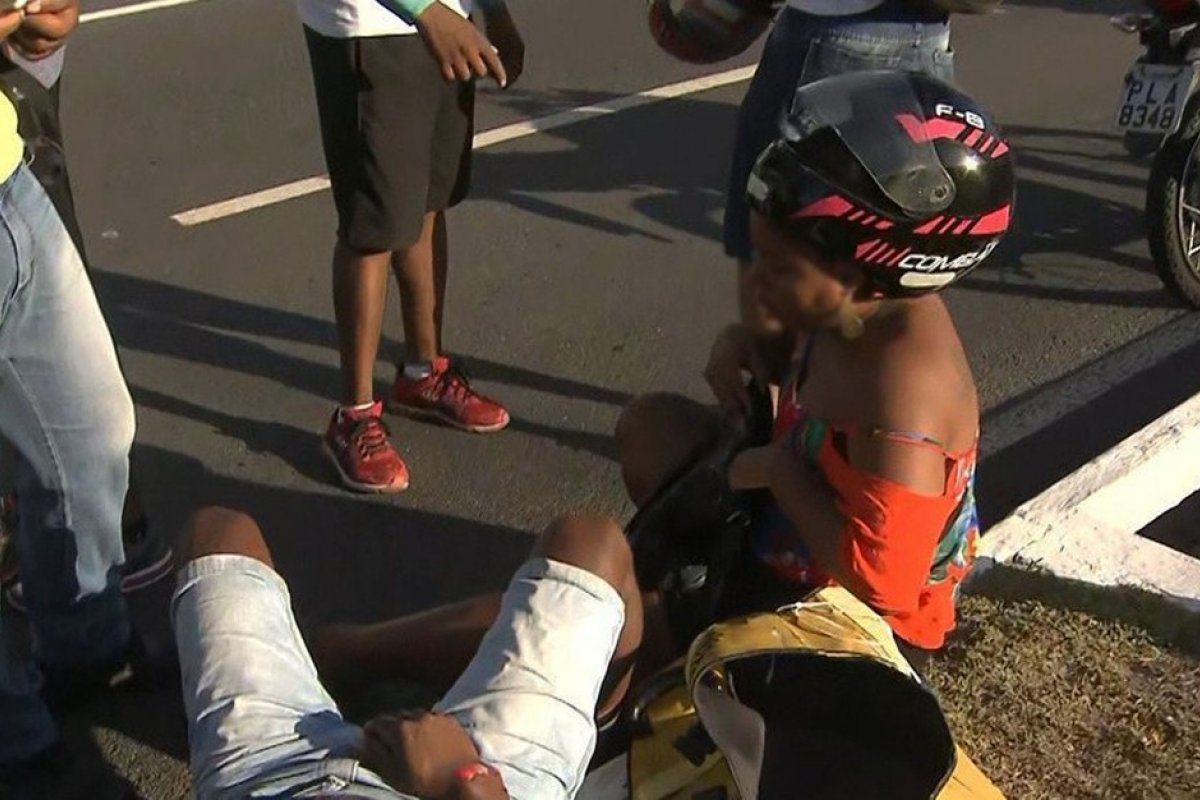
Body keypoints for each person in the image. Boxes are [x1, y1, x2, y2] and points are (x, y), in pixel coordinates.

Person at [619, 70, 1015, 670]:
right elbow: (789, 357)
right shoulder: (857, 306)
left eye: (778, 265)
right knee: (650, 428)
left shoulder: (906, 390)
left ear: (858, 272)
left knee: (612, 624)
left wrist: (777, 471)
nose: (759, 280)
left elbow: (885, 583)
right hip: (795, 534)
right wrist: (741, 344)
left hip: (853, 626)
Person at [171, 506, 643, 800]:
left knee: (217, 533)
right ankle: (591, 723)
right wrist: (459, 779)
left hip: (272, 775)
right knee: (589, 543)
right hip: (477, 782)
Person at [0, 4, 167, 794]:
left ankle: (84, 649)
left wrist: (31, 32)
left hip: (8, 184)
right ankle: (17, 735)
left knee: (94, 432)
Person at [299, 0, 525, 493]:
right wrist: (425, 10)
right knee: (372, 223)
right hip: (373, 25)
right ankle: (352, 418)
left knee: (426, 202)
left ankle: (424, 374)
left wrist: (494, 11)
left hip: (447, 20)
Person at [724, 0, 956, 329]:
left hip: (834, 30)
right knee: (903, 243)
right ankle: (880, 373)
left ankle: (770, 371)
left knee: (772, 225)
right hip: (927, 35)